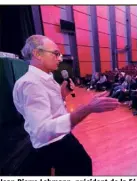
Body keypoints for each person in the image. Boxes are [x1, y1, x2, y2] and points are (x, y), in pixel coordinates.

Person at [13, 35, 119, 176]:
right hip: (52, 143)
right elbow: (42, 130)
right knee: (80, 167)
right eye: (55, 54)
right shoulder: (32, 84)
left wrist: (62, 96)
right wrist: (89, 108)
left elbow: (51, 111)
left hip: (59, 136)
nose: (60, 59)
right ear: (37, 54)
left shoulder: (43, 79)